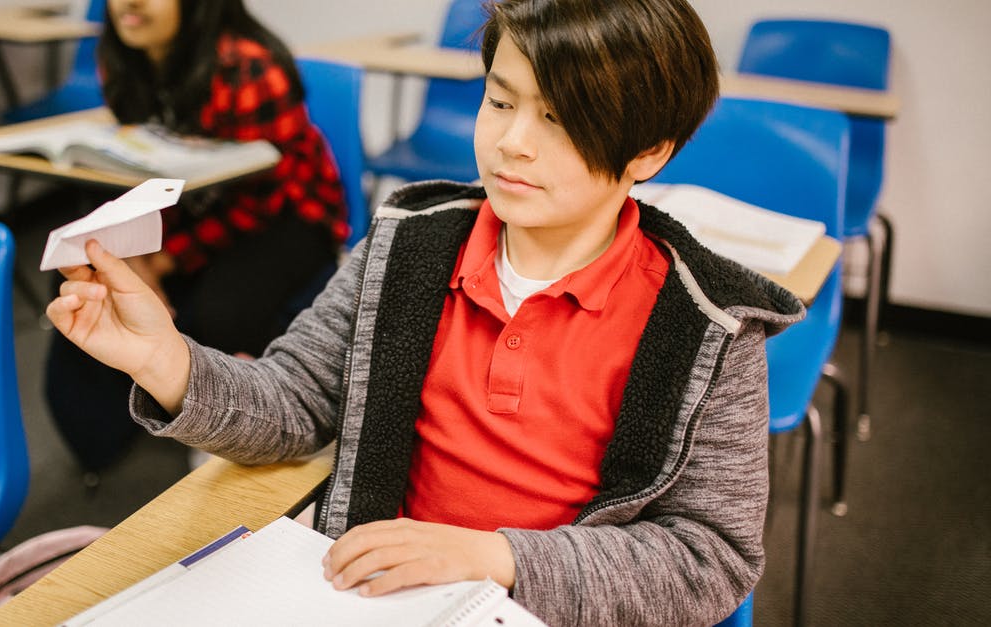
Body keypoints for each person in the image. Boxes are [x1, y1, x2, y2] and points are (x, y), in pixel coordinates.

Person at [47, 0, 806, 623]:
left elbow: (712, 556)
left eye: (557, 119)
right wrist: (164, 358)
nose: (511, 143)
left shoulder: (707, 324)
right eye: (500, 101)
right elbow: (294, 402)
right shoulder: (409, 245)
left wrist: (496, 557)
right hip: (380, 599)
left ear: (647, 152)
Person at [44, 0, 348, 473]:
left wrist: (163, 261)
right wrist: (137, 255)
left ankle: (237, 426)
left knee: (220, 309)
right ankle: (105, 441)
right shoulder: (123, 54)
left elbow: (261, 200)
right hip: (192, 209)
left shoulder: (249, 68)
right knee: (82, 279)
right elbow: (149, 169)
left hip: (286, 213)